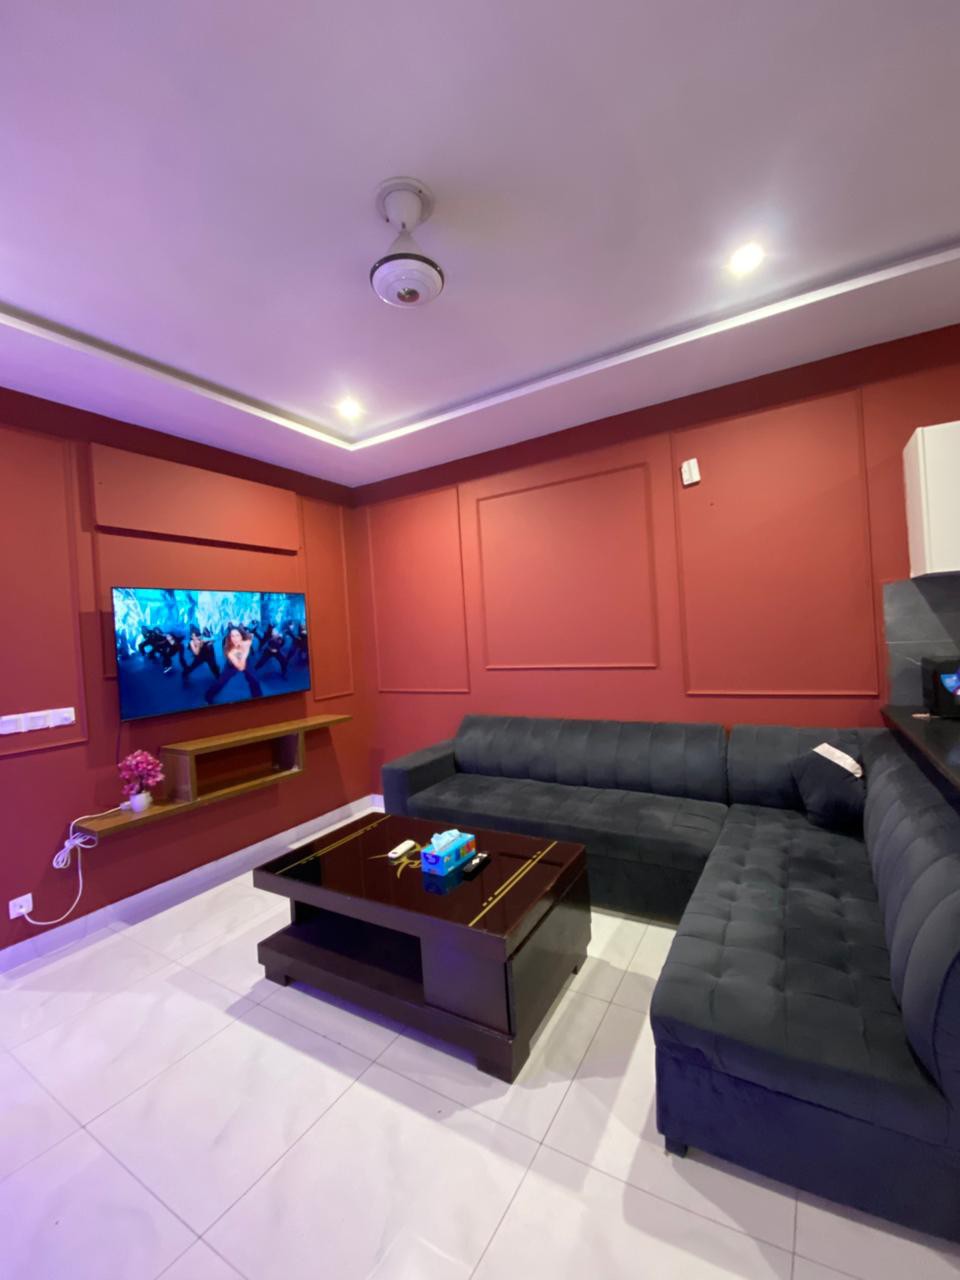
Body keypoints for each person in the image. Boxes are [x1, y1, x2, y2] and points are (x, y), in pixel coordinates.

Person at [204, 626, 262, 703]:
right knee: (221, 682)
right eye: (232, 636)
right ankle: (208, 696)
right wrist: (246, 650)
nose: (235, 638)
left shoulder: (246, 641)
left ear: (241, 636)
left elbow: (250, 637)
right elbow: (241, 667)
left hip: (244, 659)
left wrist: (246, 645)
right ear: (230, 638)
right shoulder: (230, 651)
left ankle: (258, 698)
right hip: (232, 664)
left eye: (237, 635)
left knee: (254, 680)